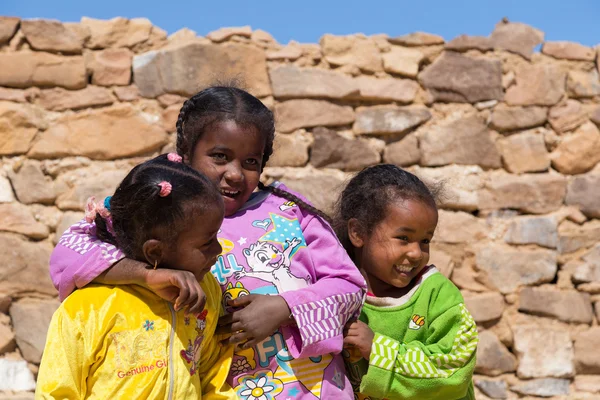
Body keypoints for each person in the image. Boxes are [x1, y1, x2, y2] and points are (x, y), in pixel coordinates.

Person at [49, 85, 367, 399]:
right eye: (220, 157)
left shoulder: (291, 211)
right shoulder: (160, 209)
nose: (235, 174)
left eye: (251, 162)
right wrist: (147, 274)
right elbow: (71, 255)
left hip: (314, 390)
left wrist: (284, 308)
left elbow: (350, 286)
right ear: (185, 152)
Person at [36, 154, 235, 399]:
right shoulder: (87, 309)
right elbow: (57, 393)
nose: (219, 249)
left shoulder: (208, 292)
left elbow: (212, 375)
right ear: (155, 251)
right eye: (206, 243)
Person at [333, 164, 477, 400]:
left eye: (425, 241)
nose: (416, 253)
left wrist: (378, 350)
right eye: (404, 238)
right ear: (358, 233)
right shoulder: (335, 293)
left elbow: (455, 368)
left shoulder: (438, 295)